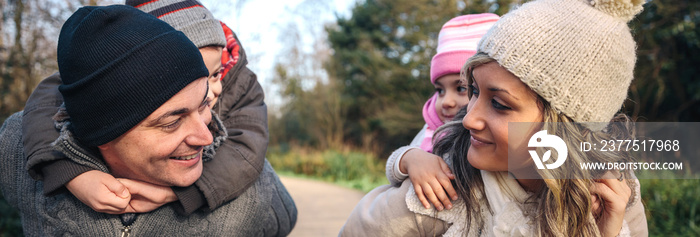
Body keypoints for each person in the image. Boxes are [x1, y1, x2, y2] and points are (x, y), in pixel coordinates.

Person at [341, 0, 649, 236]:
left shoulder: (617, 198)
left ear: (568, 127)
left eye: (500, 104)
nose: (468, 118)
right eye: (473, 91)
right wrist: (407, 159)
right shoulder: (443, 193)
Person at [0, 5, 294, 236]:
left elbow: (283, 216)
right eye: (171, 122)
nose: (207, 136)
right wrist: (65, 171)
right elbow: (40, 108)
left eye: (204, 104)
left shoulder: (248, 188)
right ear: (101, 131)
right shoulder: (19, 152)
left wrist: (187, 194)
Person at [384, 13, 499, 212]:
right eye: (440, 90)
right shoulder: (432, 128)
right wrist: (411, 158)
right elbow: (392, 172)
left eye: (462, 88)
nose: (446, 101)